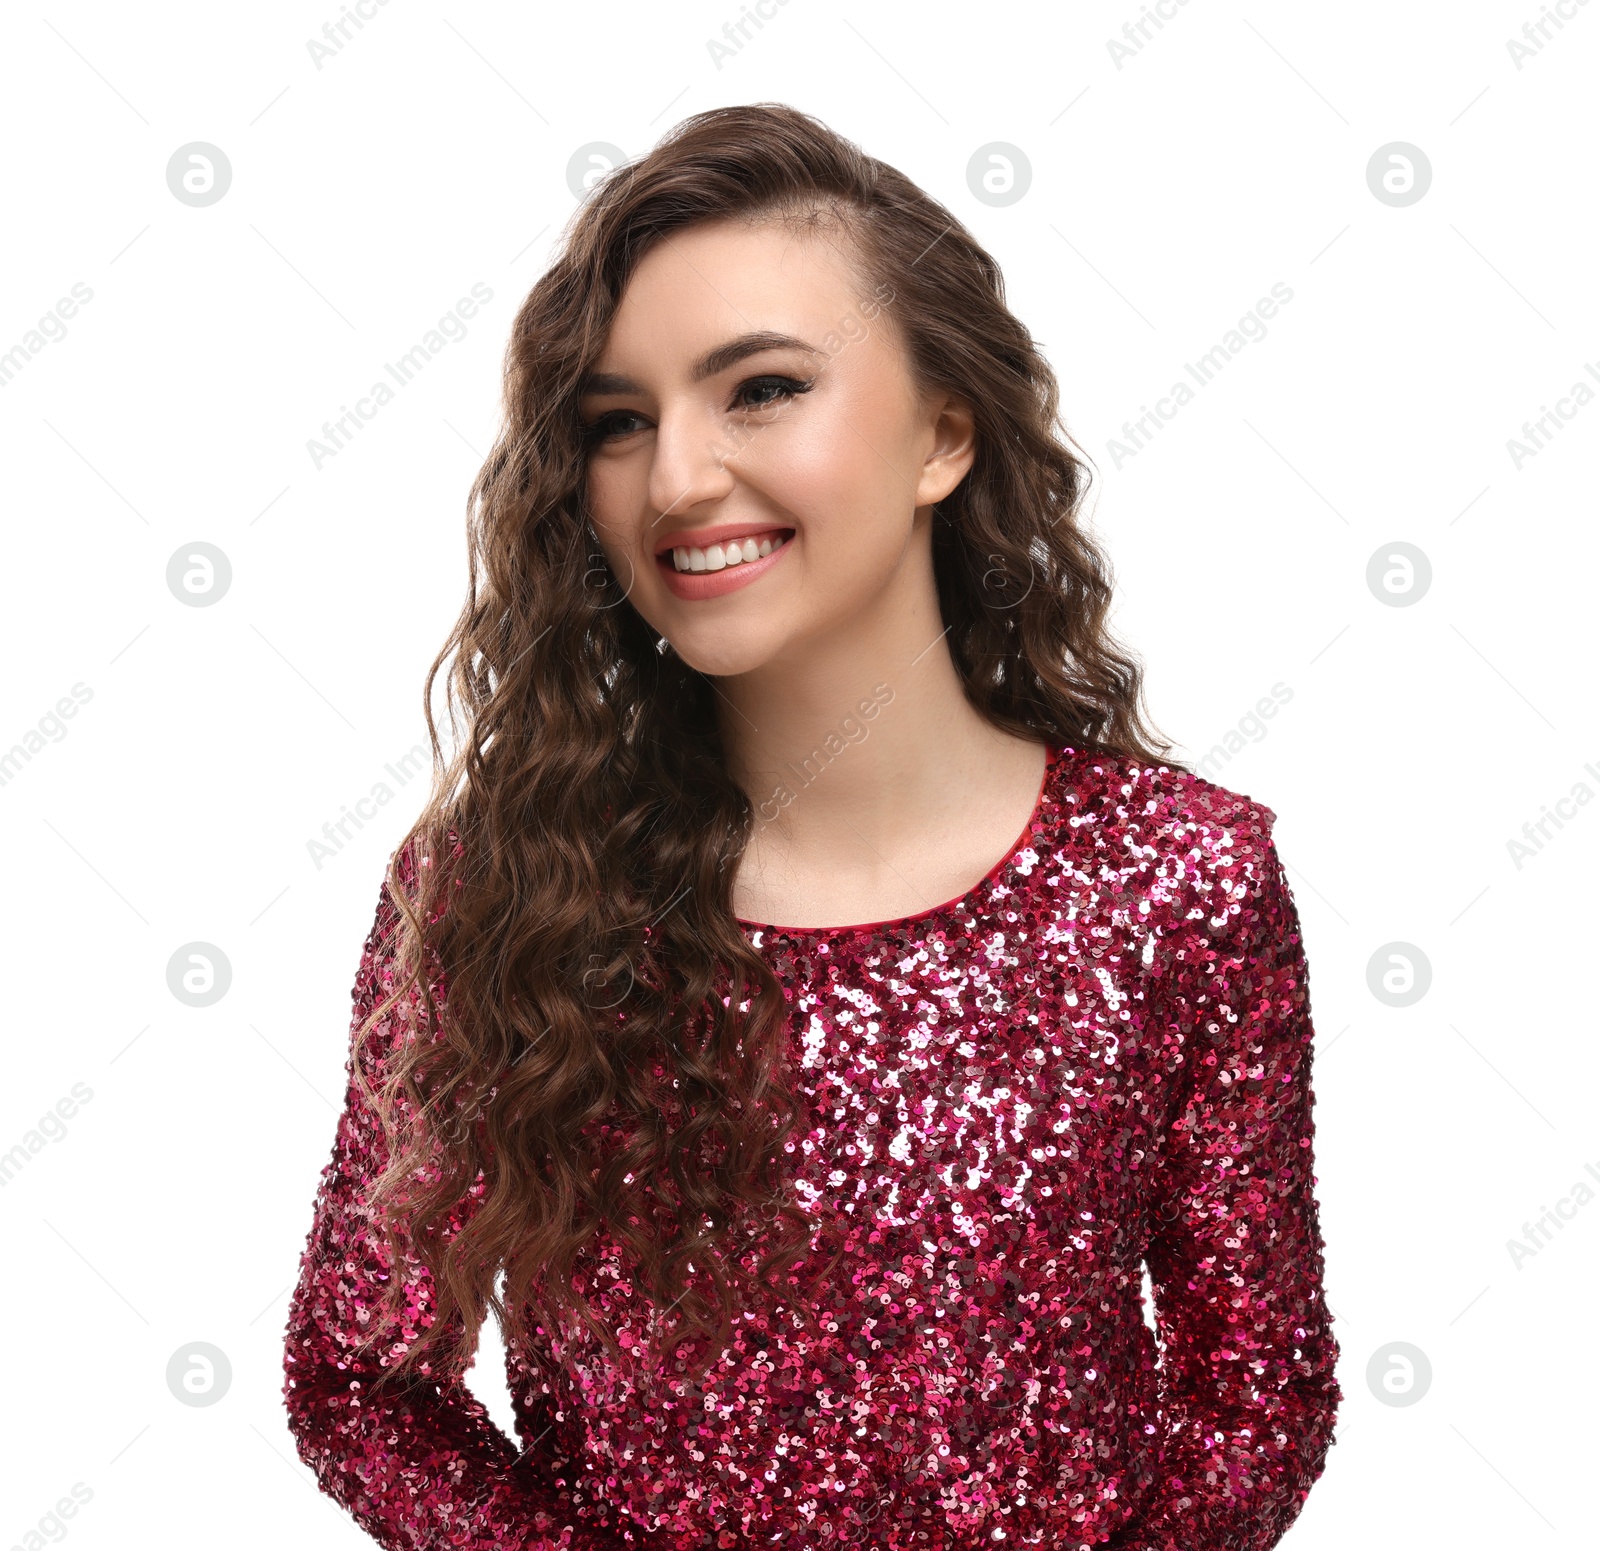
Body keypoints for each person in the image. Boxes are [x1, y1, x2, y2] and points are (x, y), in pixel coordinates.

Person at [281, 102, 1341, 1551]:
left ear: (944, 434)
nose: (676, 479)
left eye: (761, 388)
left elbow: (1252, 1395)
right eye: (617, 422)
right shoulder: (496, 892)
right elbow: (364, 1382)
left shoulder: (1179, 881)